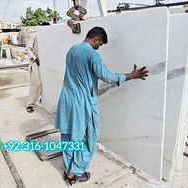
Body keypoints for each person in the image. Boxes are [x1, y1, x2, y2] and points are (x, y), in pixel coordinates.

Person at [55, 26, 148, 185]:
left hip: (66, 98)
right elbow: (107, 76)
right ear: (96, 39)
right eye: (100, 44)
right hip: (82, 102)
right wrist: (130, 76)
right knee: (88, 138)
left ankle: (68, 169)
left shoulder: (72, 50)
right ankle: (75, 173)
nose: (99, 47)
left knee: (69, 136)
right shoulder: (93, 55)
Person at [26, 32, 42, 113]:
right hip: (35, 63)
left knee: (45, 83)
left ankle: (43, 99)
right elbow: (27, 49)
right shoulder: (33, 35)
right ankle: (30, 104)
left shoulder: (48, 35)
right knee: (35, 83)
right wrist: (35, 58)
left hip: (45, 63)